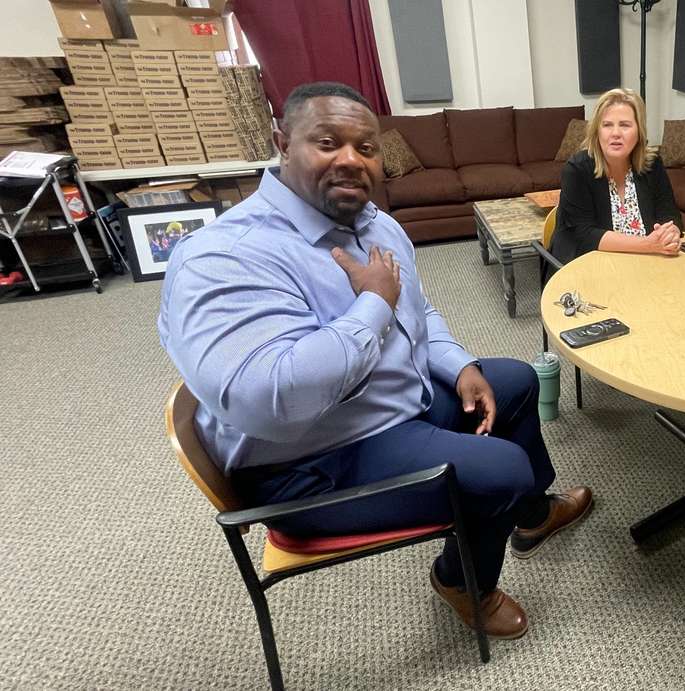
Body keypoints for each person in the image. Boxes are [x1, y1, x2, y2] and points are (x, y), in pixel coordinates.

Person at [158, 82, 593, 640]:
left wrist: (459, 364)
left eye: (366, 148)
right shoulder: (223, 256)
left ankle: (529, 515)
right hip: (309, 462)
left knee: (510, 379)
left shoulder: (375, 224)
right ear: (282, 144)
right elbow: (268, 402)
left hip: (382, 406)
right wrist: (372, 304)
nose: (351, 160)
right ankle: (463, 582)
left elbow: (419, 312)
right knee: (501, 469)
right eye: (327, 141)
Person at [550, 88, 684, 266]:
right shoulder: (577, 170)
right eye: (607, 125)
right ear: (597, 131)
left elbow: (669, 213)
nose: (615, 133)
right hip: (586, 266)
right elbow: (583, 235)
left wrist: (671, 231)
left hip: (646, 263)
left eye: (625, 125)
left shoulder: (652, 164)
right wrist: (648, 245)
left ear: (639, 131)